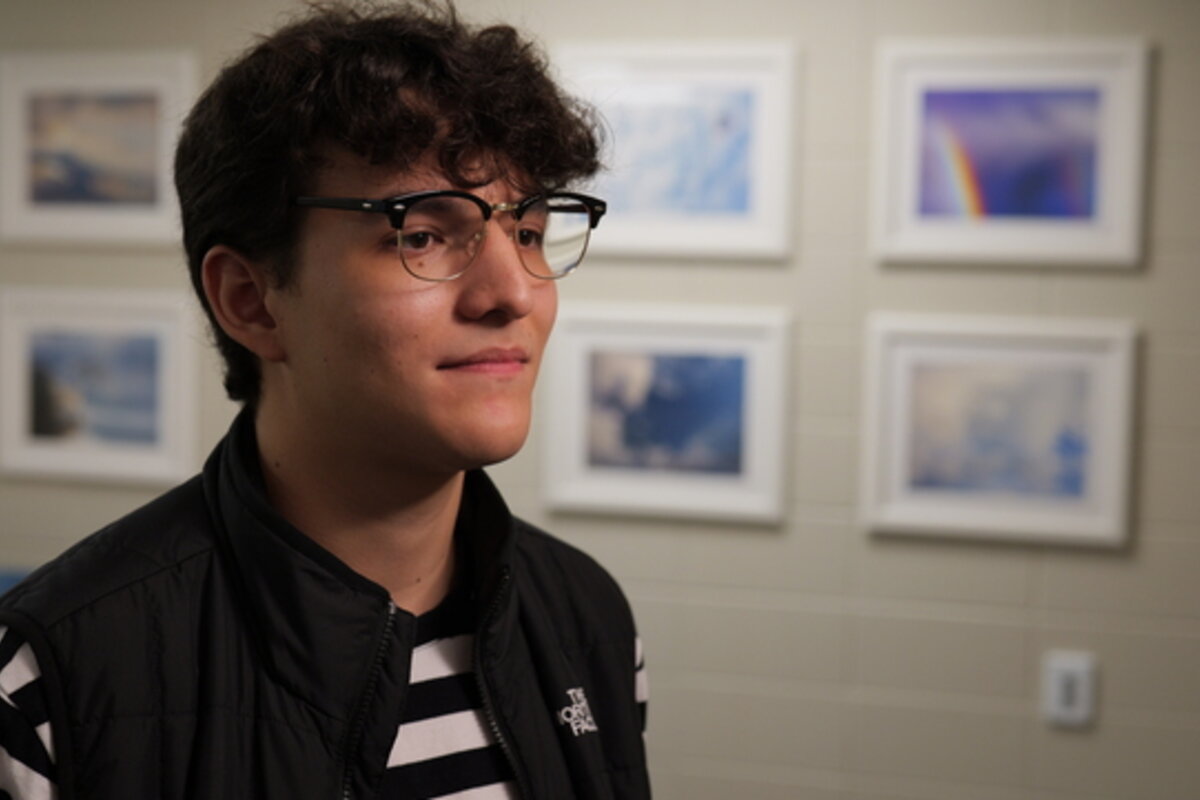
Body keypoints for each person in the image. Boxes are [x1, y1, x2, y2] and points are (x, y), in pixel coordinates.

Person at [0, 3, 651, 798]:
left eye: (528, 230)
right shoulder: (47, 676)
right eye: (422, 235)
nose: (514, 293)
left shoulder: (587, 617)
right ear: (251, 301)